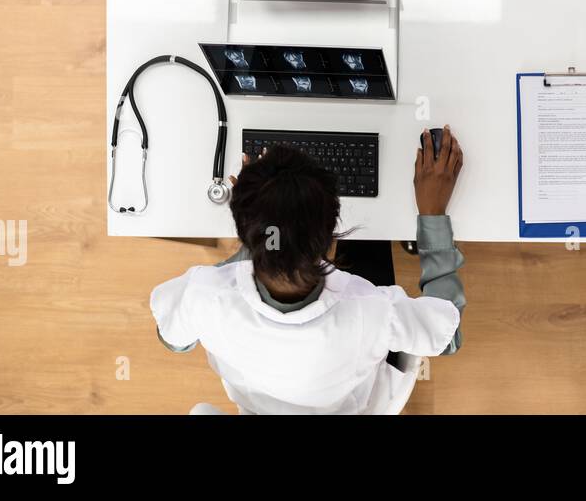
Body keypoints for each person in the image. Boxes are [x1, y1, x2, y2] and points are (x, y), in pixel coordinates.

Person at [149, 127, 467, 415]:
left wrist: (262, 217)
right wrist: (433, 215)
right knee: (372, 246)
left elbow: (173, 339)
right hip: (359, 405)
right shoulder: (371, 310)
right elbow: (447, 336)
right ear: (331, 242)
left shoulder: (203, 296)